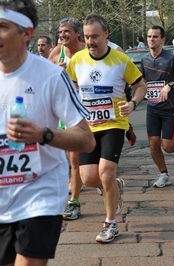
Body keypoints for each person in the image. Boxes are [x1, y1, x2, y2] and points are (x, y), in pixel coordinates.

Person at [0, 1, 95, 265]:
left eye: (2, 27)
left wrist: (43, 134)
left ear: (26, 33)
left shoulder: (51, 76)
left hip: (39, 195)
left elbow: (86, 139)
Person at [66, 14, 147, 243]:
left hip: (113, 124)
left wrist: (132, 103)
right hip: (87, 127)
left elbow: (141, 86)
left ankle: (111, 224)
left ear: (106, 34)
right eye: (87, 37)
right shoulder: (77, 60)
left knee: (106, 172)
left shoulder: (121, 60)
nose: (90, 41)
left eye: (95, 37)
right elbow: (70, 86)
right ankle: (115, 186)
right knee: (90, 178)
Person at [140, 25, 174, 188]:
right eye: (149, 36)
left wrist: (170, 85)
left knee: (168, 146)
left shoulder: (171, 59)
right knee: (153, 143)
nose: (151, 39)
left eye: (155, 36)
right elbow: (143, 82)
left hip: (169, 109)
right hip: (152, 108)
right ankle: (164, 174)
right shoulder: (145, 59)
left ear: (162, 40)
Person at [48, 17, 86, 221]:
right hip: (64, 110)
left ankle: (76, 200)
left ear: (78, 33)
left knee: (81, 159)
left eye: (66, 32)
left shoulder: (86, 51)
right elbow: (44, 76)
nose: (62, 35)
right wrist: (56, 72)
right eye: (60, 32)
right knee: (70, 158)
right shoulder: (57, 52)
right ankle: (73, 199)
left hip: (88, 110)